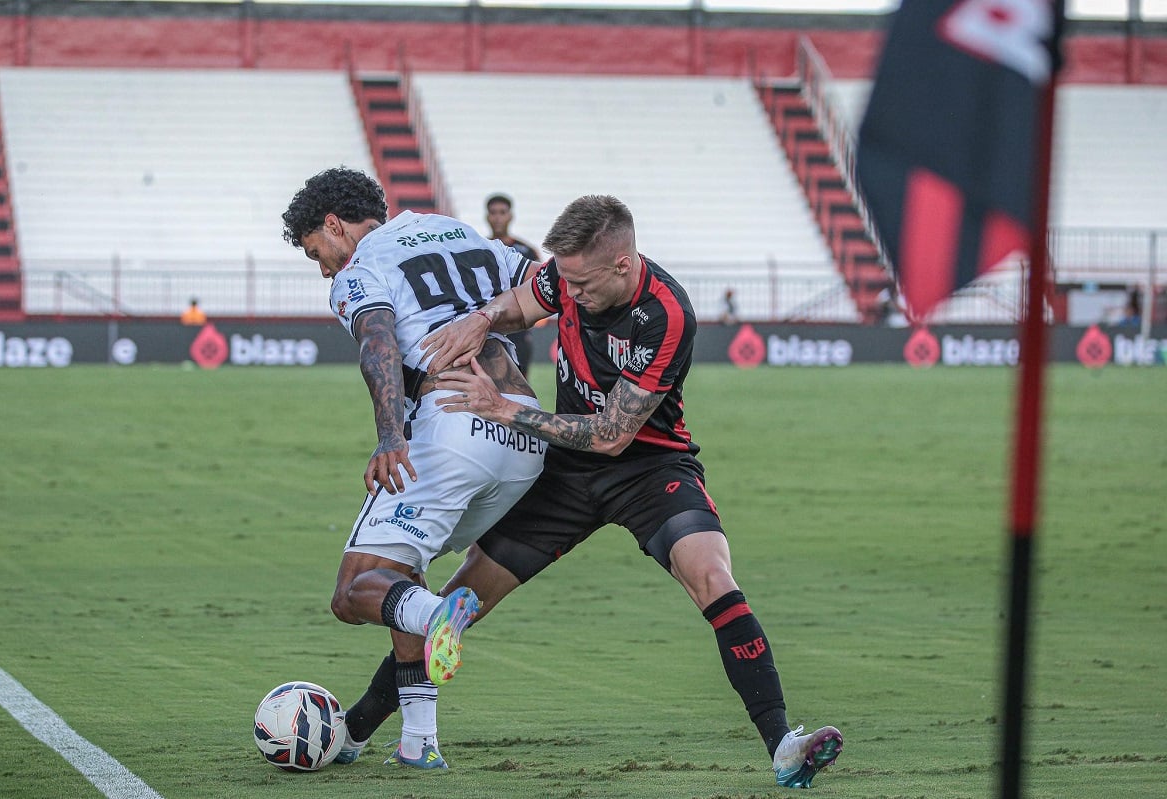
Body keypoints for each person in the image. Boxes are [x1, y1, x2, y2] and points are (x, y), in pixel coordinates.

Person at [347, 194, 844, 788]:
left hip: (650, 470)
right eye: (564, 279)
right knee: (458, 608)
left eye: (581, 283)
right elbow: (522, 301)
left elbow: (611, 436)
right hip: (566, 475)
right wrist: (481, 318)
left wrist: (504, 408)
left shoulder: (667, 315)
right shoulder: (567, 276)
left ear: (623, 265)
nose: (569, 293)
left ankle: (783, 744)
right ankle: (352, 731)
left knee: (713, 579)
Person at [280, 167, 546, 769]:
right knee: (403, 570)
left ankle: (441, 613)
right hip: (522, 430)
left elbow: (380, 342)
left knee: (353, 593)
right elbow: (542, 292)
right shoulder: (458, 232)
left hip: (450, 428)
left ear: (333, 225)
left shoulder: (360, 266)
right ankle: (418, 742)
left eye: (315, 251)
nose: (322, 266)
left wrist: (388, 436)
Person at [484, 193, 541, 376]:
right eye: (493, 212)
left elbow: (539, 287)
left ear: (510, 216)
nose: (498, 217)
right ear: (487, 216)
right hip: (488, 329)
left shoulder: (527, 252)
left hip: (518, 330)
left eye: (502, 212)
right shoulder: (480, 248)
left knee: (520, 387)